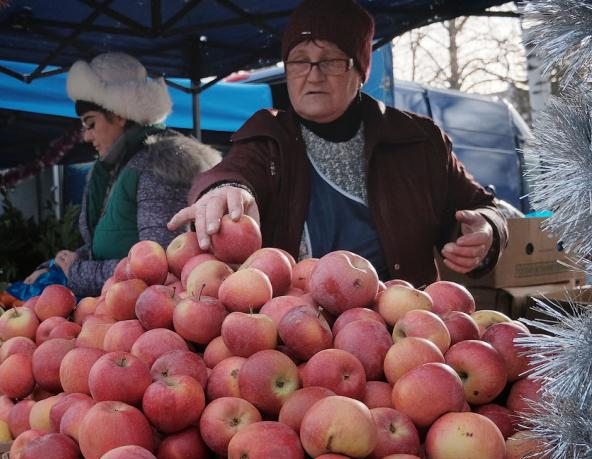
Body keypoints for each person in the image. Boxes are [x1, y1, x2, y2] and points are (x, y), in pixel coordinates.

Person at [168, 0, 508, 287]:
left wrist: (487, 231)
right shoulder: (269, 136)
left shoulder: (419, 141)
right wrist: (223, 190)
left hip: (404, 328)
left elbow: (483, 207)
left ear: (359, 71)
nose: (313, 74)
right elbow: (232, 172)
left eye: (330, 60)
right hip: (298, 332)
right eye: (300, 60)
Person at [32, 52, 221, 297]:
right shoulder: (120, 166)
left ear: (119, 113)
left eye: (90, 123)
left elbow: (161, 264)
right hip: (117, 309)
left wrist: (77, 272)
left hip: (148, 315)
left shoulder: (160, 165)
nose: (87, 136)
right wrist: (64, 262)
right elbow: (111, 242)